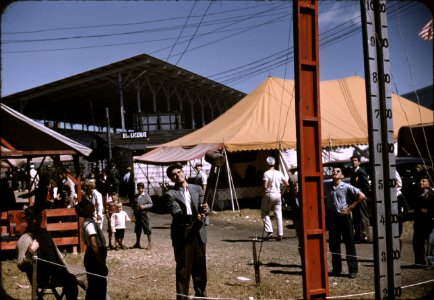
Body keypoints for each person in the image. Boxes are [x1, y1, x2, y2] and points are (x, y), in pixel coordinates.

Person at [16, 206, 86, 300]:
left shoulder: (44, 232)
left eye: (40, 217)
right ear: (31, 220)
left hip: (58, 269)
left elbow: (56, 251)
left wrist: (65, 266)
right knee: (71, 279)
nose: (39, 220)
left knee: (85, 272)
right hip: (45, 277)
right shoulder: (25, 239)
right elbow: (21, 265)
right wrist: (31, 252)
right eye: (37, 218)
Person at [164, 164, 209, 300]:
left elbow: (206, 207)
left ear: (183, 172)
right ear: (172, 179)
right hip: (183, 233)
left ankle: (201, 296)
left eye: (179, 172)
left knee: (200, 268)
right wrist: (194, 217)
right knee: (183, 269)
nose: (178, 175)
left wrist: (205, 209)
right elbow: (177, 214)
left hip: (198, 232)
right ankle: (182, 298)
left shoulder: (197, 188)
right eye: (174, 175)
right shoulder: (170, 194)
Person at [326, 167, 366, 279]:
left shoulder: (346, 186)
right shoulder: (327, 185)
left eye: (338, 171)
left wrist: (350, 208)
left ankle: (353, 270)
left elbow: (362, 196)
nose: (334, 172)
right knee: (334, 244)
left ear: (342, 176)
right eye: (333, 171)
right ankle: (336, 269)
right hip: (333, 218)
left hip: (344, 217)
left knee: (349, 243)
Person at [75, 199, 108, 300]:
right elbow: (94, 245)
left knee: (96, 286)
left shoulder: (90, 222)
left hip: (94, 255)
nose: (91, 206)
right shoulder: (89, 224)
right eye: (88, 205)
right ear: (83, 210)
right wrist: (102, 264)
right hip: (94, 256)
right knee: (98, 287)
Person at [261, 156, 289, 241]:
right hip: (278, 194)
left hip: (269, 194)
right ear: (274, 164)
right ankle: (280, 234)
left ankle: (269, 232)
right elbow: (287, 184)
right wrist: (281, 193)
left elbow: (265, 186)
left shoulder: (266, 173)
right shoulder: (279, 173)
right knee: (278, 214)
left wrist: (263, 194)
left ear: (267, 164)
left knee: (264, 213)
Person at [412, 175, 434, 267]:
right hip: (419, 223)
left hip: (429, 223)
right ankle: (419, 261)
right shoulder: (419, 195)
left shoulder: (431, 196)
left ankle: (431, 263)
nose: (421, 183)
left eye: (423, 181)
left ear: (429, 184)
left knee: (431, 243)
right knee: (417, 242)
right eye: (420, 181)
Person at [349, 155, 371, 242]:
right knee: (356, 216)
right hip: (355, 197)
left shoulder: (361, 172)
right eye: (352, 161)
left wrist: (359, 192)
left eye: (355, 160)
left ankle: (365, 235)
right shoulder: (352, 171)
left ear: (359, 162)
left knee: (363, 216)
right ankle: (358, 234)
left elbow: (367, 186)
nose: (353, 162)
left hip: (361, 196)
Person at [131, 182, 153, 250]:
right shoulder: (135, 196)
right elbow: (132, 206)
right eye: (138, 188)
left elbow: (151, 204)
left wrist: (144, 206)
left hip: (144, 214)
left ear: (143, 188)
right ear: (137, 188)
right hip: (137, 214)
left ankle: (150, 243)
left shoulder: (146, 195)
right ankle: (137, 243)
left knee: (147, 228)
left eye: (141, 188)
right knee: (138, 229)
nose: (140, 190)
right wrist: (132, 215)